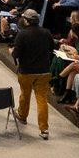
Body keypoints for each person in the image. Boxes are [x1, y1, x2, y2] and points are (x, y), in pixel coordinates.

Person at [9, 10, 55, 139]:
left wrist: (11, 51)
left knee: (25, 94)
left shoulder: (22, 35)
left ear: (26, 20)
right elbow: (52, 47)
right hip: (44, 71)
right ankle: (44, 129)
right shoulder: (46, 33)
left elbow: (15, 54)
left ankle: (22, 116)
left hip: (27, 71)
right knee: (42, 99)